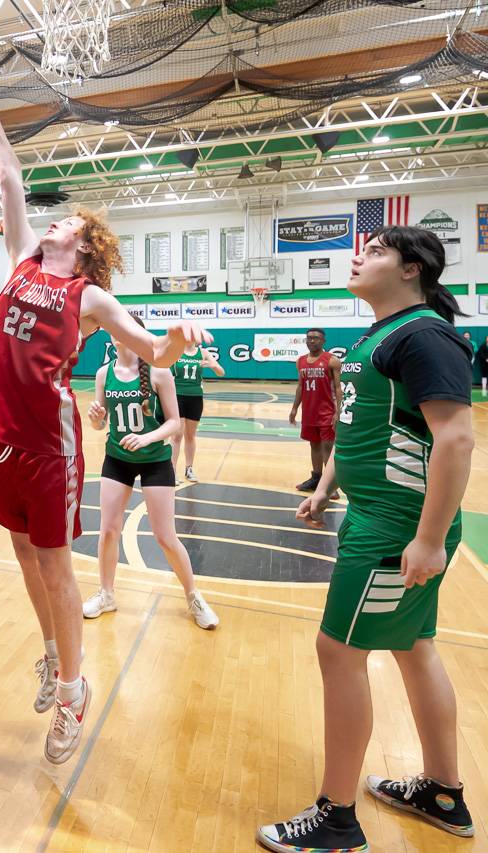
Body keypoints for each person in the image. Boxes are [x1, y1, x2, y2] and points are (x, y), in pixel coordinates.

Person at [0, 75, 209, 766]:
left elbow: (153, 349)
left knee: (54, 565)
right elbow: (10, 178)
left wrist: (180, 343)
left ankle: (74, 689)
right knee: (20, 551)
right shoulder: (21, 260)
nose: (53, 221)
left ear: (85, 240)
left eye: (66, 221)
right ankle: (52, 653)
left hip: (48, 442)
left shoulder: (91, 295)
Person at [258, 225, 474, 852]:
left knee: (339, 653)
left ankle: (337, 818)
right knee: (414, 646)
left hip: (395, 527)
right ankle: (442, 791)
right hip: (374, 514)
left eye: (376, 250)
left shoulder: (425, 334)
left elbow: (456, 440)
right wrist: (327, 485)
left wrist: (429, 539)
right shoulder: (379, 334)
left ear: (413, 270)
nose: (358, 256)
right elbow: (360, 426)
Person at [83, 318, 219, 629]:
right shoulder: (104, 373)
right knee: (107, 530)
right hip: (117, 458)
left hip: (155, 459)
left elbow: (174, 423)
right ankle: (106, 593)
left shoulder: (158, 371)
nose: (119, 335)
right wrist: (96, 419)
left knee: (165, 536)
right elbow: (100, 424)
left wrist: (147, 437)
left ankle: (194, 597)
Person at [289, 328, 343, 492]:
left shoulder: (332, 360)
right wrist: (294, 408)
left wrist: (338, 412)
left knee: (327, 447)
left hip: (327, 412)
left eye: (316, 338)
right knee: (314, 445)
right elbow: (300, 387)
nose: (312, 341)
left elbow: (339, 388)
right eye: (309, 338)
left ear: (323, 341)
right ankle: (316, 478)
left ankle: (330, 487)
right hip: (309, 412)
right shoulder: (301, 361)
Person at [170, 343, 225, 481]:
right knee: (177, 435)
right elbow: (165, 372)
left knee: (190, 435)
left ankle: (189, 469)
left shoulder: (203, 352)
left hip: (195, 398)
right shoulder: (176, 351)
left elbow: (221, 372)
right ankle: (172, 470)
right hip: (178, 396)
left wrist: (213, 365)